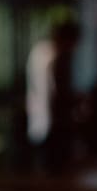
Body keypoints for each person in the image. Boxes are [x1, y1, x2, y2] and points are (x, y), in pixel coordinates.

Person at [25, 17, 80, 172]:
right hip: (52, 127)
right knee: (56, 173)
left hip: (41, 124)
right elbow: (56, 96)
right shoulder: (54, 58)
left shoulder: (40, 52)